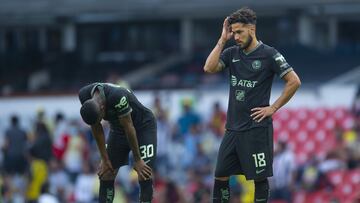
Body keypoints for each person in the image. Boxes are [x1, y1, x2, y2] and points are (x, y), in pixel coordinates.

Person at [203, 7, 301, 203]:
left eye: (239, 32)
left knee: (259, 177)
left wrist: (273, 108)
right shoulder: (232, 53)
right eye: (233, 32)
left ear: (252, 30)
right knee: (220, 174)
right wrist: (222, 40)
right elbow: (209, 67)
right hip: (232, 128)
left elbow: (294, 81)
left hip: (256, 128)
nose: (236, 37)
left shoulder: (270, 54)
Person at [78, 82, 156, 203]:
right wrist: (104, 159)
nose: (100, 122)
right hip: (119, 129)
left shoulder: (117, 96)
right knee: (106, 172)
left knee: (144, 172)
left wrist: (138, 160)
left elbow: (129, 127)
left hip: (143, 126)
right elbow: (96, 127)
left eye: (100, 119)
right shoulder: (84, 95)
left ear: (102, 107)